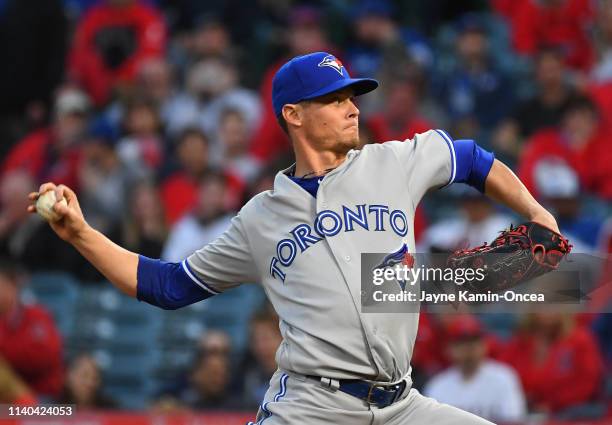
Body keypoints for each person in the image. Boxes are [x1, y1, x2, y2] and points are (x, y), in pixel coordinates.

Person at [28, 51, 561, 424]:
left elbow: (468, 158)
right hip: (312, 407)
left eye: (353, 95)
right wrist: (81, 234)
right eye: (335, 99)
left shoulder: (391, 162)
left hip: (402, 405)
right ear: (294, 115)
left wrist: (537, 212)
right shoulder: (261, 218)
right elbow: (167, 286)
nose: (353, 107)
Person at [424, 315, 526, 423]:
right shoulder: (438, 385)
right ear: (450, 348)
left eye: (474, 342)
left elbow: (514, 420)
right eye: (462, 343)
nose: (469, 349)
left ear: (485, 344)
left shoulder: (504, 377)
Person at [0, 260, 64, 401]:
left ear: (13, 286)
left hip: (43, 396)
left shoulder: (37, 315)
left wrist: (5, 353)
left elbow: (45, 357)